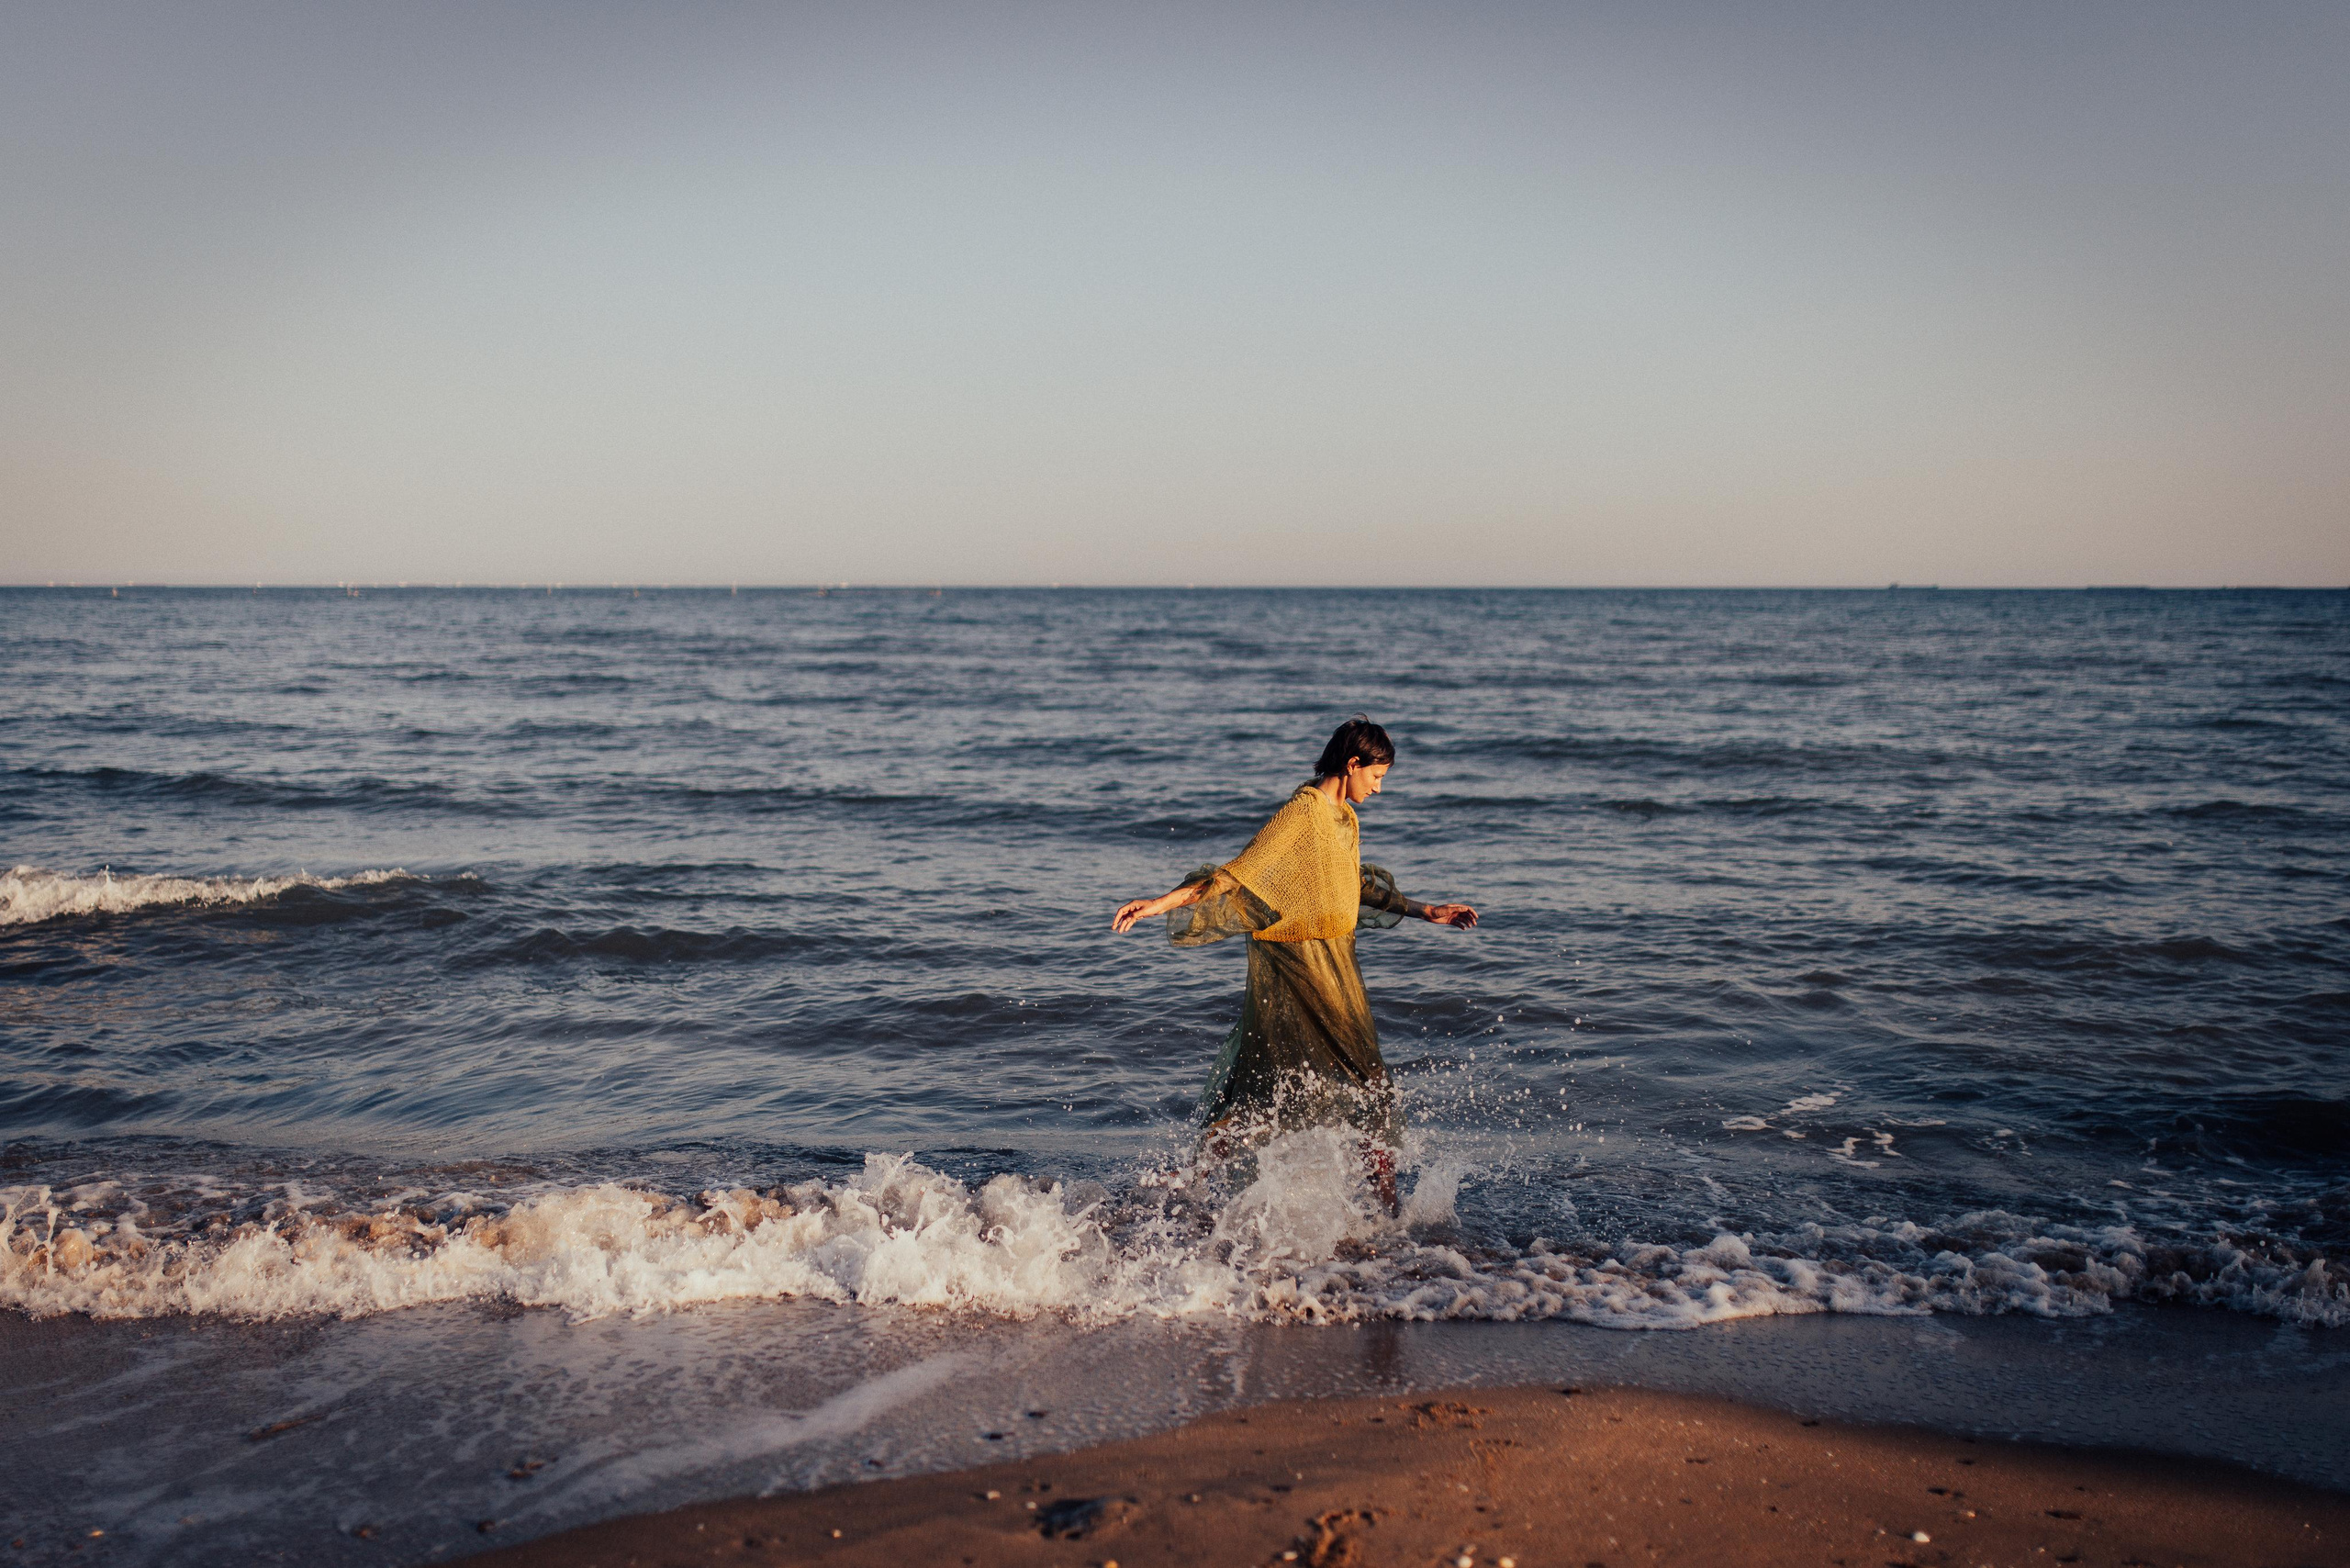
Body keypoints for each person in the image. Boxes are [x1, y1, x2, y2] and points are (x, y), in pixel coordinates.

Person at [1112, 718, 1477, 1211]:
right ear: (1353, 764)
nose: (1379, 787)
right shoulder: (1302, 813)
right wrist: (1160, 903)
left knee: (1334, 1087)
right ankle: (1384, 1209)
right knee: (1351, 1086)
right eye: (1377, 776)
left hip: (1338, 967)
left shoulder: (1345, 817)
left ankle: (1189, 1181)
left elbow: (1353, 885)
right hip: (1299, 969)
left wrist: (1424, 910)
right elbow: (1238, 873)